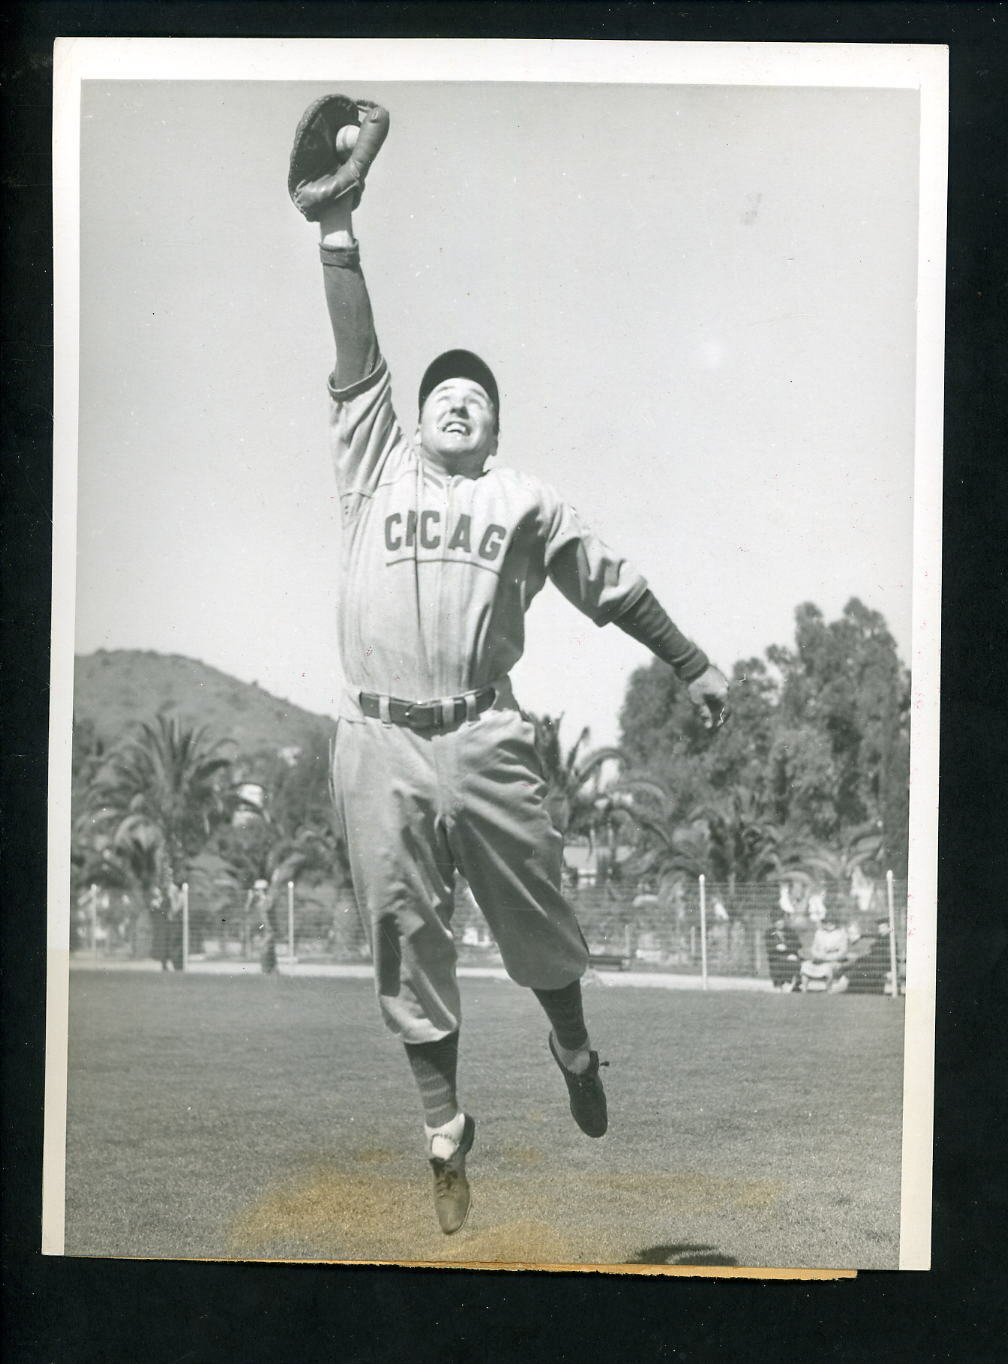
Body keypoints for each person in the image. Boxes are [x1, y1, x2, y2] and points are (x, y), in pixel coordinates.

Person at [288, 95, 731, 1234]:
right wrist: (337, 231)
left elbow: (612, 581)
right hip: (378, 734)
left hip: (484, 730)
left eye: (475, 399)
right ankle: (446, 1133)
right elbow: (356, 353)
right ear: (417, 414)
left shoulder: (524, 498)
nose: (456, 402)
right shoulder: (371, 465)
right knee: (402, 929)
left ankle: (572, 1044)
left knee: (536, 916)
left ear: (493, 426)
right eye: (444, 393)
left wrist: (690, 664)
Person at [799, 913, 851, 992]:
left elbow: (843, 951)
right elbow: (814, 948)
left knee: (827, 968)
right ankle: (804, 989)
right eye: (827, 922)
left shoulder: (841, 934)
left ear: (835, 923)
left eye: (832, 922)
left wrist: (828, 958)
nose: (829, 924)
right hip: (819, 959)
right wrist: (818, 955)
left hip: (834, 960)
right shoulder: (819, 933)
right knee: (805, 965)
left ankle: (828, 990)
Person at [845, 918, 895, 994]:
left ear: (889, 928)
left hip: (883, 965)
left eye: (883, 927)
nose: (880, 930)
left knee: (861, 966)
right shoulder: (880, 938)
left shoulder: (890, 940)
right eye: (879, 928)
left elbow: (886, 956)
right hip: (875, 964)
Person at [764, 911, 802, 991]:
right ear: (773, 923)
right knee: (777, 964)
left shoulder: (790, 931)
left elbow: (798, 945)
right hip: (776, 956)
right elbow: (769, 948)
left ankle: (790, 983)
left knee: (793, 960)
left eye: (781, 921)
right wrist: (776, 947)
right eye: (777, 922)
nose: (780, 923)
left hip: (790, 955)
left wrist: (787, 948)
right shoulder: (770, 933)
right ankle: (778, 985)